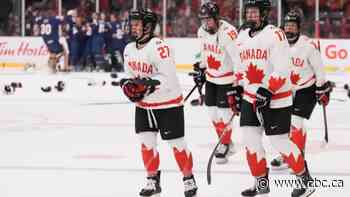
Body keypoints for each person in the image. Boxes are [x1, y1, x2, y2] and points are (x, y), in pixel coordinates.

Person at [234, 1, 316, 196]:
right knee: (250, 141)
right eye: (248, 12)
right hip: (250, 98)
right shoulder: (242, 35)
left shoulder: (275, 34)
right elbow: (240, 65)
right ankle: (261, 183)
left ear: (264, 14)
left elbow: (283, 68)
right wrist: (237, 88)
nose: (251, 16)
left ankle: (305, 180)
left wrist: (268, 89)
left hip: (277, 98)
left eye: (255, 13)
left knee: (279, 141)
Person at [120, 8, 198, 197]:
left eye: (137, 24)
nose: (133, 27)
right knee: (146, 144)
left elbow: (168, 78)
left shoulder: (159, 47)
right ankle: (152, 180)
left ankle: (188, 179)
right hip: (145, 106)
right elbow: (130, 75)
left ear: (148, 27)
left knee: (177, 144)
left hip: (168, 104)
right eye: (132, 23)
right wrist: (127, 85)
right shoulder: (129, 49)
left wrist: (146, 87)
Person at [270, 11, 332, 170]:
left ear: (299, 28)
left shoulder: (308, 46)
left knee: (295, 122)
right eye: (287, 25)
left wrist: (322, 88)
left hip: (306, 89)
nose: (289, 29)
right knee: (284, 124)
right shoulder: (278, 44)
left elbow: (319, 69)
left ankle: (298, 156)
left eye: (292, 26)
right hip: (286, 89)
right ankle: (288, 154)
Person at [195, 1, 239, 164]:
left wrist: (238, 83)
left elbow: (238, 59)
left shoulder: (228, 33)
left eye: (208, 19)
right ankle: (225, 140)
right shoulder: (201, 31)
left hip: (227, 80)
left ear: (216, 18)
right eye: (203, 19)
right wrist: (200, 67)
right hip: (211, 78)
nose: (205, 22)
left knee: (225, 113)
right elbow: (204, 53)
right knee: (212, 112)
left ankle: (226, 144)